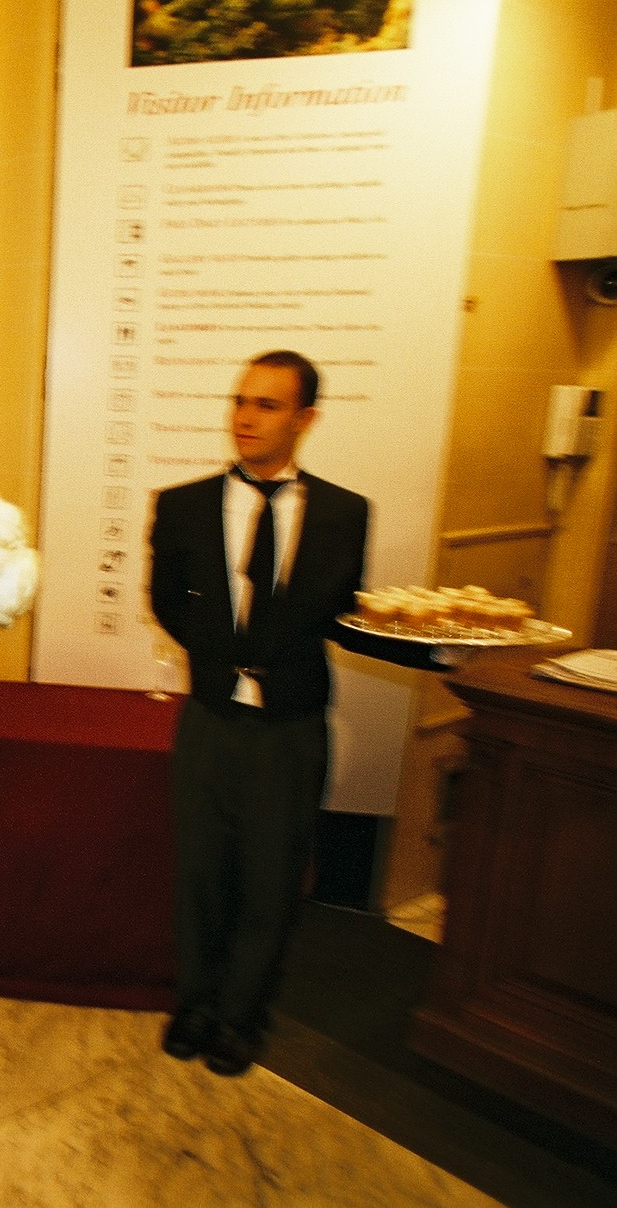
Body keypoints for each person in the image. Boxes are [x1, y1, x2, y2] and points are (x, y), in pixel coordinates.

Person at [147, 349, 446, 1078]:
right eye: (240, 401)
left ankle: (241, 1018)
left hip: (292, 729)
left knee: (271, 879)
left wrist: (435, 657)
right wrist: (226, 660)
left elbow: (342, 618)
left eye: (268, 405)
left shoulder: (345, 514)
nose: (245, 417)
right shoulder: (181, 505)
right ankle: (194, 1003)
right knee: (202, 874)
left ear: (305, 418)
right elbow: (166, 601)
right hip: (212, 720)